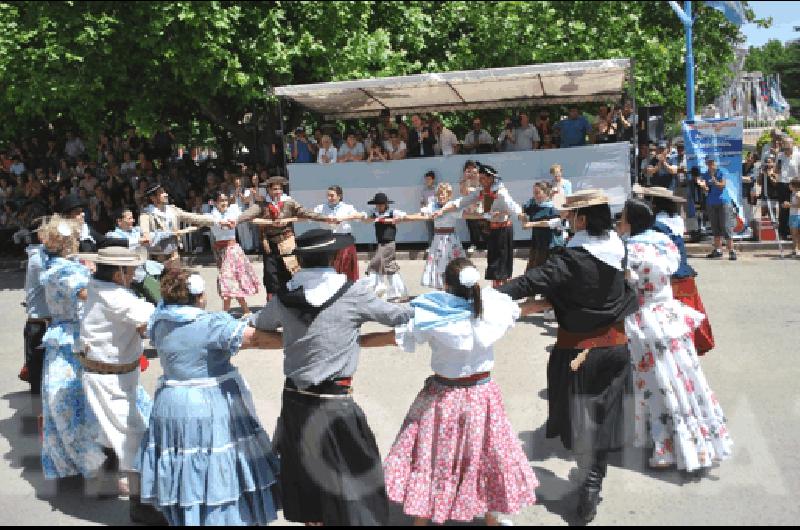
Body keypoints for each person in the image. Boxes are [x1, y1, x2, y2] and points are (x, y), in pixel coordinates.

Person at [253, 228, 415, 527]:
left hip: (295, 400)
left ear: (301, 260)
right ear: (335, 257)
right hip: (335, 400)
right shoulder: (352, 293)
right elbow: (399, 316)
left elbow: (261, 323)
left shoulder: (286, 296)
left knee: (306, 476)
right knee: (352, 479)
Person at [496, 190, 639, 523]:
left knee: (581, 422)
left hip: (579, 353)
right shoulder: (618, 249)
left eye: (571, 215)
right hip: (616, 348)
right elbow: (590, 293)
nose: (567, 220)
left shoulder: (571, 258)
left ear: (583, 219)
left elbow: (531, 281)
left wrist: (484, 296)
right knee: (601, 418)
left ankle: (589, 480)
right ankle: (592, 478)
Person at [385, 258, 539, 525]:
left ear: (446, 284)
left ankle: (422, 519)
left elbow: (397, 336)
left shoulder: (436, 315)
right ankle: (491, 517)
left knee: (433, 456)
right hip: (482, 394)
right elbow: (524, 309)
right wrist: (557, 302)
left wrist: (356, 340)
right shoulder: (492, 310)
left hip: (444, 395)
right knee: (487, 451)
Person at [136, 269, 282, 526]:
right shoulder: (209, 323)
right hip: (207, 401)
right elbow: (257, 339)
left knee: (186, 465)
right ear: (199, 295)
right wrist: (297, 338)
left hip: (170, 401)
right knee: (215, 463)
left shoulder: (159, 319)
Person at [619, 199, 733, 474]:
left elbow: (627, 284)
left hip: (646, 317)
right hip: (671, 314)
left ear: (631, 221)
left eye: (621, 217)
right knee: (687, 376)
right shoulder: (665, 240)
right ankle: (705, 436)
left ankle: (665, 447)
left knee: (657, 383)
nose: (619, 222)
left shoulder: (628, 248)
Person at [76, 247, 163, 523]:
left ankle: (104, 483)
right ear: (118, 273)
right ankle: (142, 507)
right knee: (133, 438)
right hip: (110, 378)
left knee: (107, 429)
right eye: (130, 270)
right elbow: (154, 319)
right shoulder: (117, 297)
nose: (134, 274)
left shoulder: (97, 284)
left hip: (108, 373)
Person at [38, 215, 107, 481]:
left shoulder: (60, 264)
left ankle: (96, 458)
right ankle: (90, 462)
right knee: (68, 399)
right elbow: (85, 294)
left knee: (81, 398)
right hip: (73, 336)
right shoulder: (62, 270)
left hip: (73, 334)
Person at [637, 186, 716, 355]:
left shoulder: (656, 225)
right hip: (685, 274)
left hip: (672, 277)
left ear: (654, 203)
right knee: (686, 319)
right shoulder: (676, 220)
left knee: (672, 321)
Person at [237, 175, 331, 299]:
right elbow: (247, 214)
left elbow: (305, 213)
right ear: (269, 190)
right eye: (274, 189)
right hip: (270, 245)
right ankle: (275, 306)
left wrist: (326, 218)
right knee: (271, 276)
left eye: (279, 189)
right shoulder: (262, 205)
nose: (277, 192)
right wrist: (234, 220)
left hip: (287, 242)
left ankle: (295, 302)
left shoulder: (289, 202)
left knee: (292, 272)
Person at [441, 164, 522, 287]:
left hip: (504, 229)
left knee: (502, 261)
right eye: (480, 178)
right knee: (493, 260)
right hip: (493, 228)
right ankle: (497, 288)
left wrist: (520, 215)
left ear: (491, 178)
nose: (480, 180)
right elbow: (463, 201)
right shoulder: (482, 191)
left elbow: (512, 205)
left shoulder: (500, 191)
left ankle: (503, 289)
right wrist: (443, 210)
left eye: (483, 178)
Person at [209, 191, 260, 314]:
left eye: (225, 200)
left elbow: (240, 218)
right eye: (221, 201)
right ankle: (245, 311)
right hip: (220, 251)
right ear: (215, 203)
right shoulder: (212, 215)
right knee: (230, 282)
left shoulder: (233, 212)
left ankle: (226, 313)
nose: (224, 203)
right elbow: (217, 224)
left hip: (232, 250)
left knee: (228, 281)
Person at [19, 218, 51, 394]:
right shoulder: (40, 259)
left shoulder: (41, 255)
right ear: (41, 235)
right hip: (39, 327)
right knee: (39, 388)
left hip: (42, 325)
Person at [417, 183, 465, 289]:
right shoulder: (433, 206)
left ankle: (455, 288)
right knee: (438, 265)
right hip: (438, 238)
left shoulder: (452, 206)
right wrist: (403, 218)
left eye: (444, 194)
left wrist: (484, 215)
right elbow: (420, 215)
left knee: (453, 265)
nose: (441, 196)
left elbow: (467, 214)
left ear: (449, 195)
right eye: (439, 194)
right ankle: (441, 288)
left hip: (451, 239)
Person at [313, 185, 365, 281]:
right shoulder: (321, 207)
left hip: (344, 240)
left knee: (345, 267)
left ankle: (347, 289)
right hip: (328, 241)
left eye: (332, 195)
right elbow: (310, 216)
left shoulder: (347, 207)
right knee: (329, 267)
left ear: (339, 196)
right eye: (328, 195)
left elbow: (360, 216)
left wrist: (342, 218)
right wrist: (325, 219)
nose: (329, 198)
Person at [363, 192, 409, 300]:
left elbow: (403, 216)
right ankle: (397, 293)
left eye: (381, 204)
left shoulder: (393, 212)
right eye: (377, 204)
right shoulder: (374, 213)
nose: (379, 206)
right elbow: (365, 220)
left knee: (375, 264)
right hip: (380, 244)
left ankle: (380, 291)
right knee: (389, 267)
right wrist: (373, 218)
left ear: (386, 204)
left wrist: (394, 219)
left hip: (389, 244)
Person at [57, 194, 129, 252]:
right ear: (67, 216)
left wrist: (130, 242)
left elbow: (104, 241)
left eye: (82, 211)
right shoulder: (59, 234)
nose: (83, 214)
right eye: (77, 212)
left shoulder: (85, 229)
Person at [696, 158, 737, 260]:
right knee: (715, 227)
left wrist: (715, 182)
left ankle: (731, 251)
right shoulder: (705, 174)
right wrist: (702, 185)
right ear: (706, 163)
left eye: (712, 162)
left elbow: (722, 185)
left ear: (715, 163)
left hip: (723, 202)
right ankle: (718, 250)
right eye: (708, 163)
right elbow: (705, 186)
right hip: (711, 203)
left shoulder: (721, 171)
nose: (710, 165)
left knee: (726, 226)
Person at [520, 181, 564, 270]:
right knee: (532, 270)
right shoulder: (533, 204)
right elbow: (523, 211)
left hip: (550, 245)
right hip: (537, 243)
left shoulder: (553, 207)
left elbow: (551, 223)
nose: (535, 195)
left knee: (544, 271)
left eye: (537, 193)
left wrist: (531, 224)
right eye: (534, 192)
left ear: (546, 193)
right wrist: (523, 218)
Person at [776, 138, 800, 240]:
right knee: (783, 208)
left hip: (795, 184)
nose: (785, 146)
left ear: (792, 144)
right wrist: (777, 168)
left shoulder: (798, 155)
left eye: (787, 144)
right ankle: (783, 232)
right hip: (783, 184)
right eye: (784, 144)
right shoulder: (780, 155)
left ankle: (795, 232)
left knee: (796, 207)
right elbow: (777, 170)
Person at [459, 160, 484, 253]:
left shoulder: (480, 179)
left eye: (472, 168)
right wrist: (466, 179)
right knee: (471, 226)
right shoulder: (464, 181)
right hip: (469, 207)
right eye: (468, 169)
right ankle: (474, 244)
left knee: (482, 226)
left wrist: (477, 176)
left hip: (480, 206)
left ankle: (485, 244)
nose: (470, 171)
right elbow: (463, 192)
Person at [420, 170, 437, 244]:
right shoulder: (424, 190)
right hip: (428, 213)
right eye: (426, 179)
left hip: (436, 213)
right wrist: (423, 210)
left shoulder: (437, 189)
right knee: (430, 231)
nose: (427, 181)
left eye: (429, 179)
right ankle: (430, 247)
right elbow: (422, 202)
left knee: (437, 231)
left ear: (433, 180)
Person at [785, 177, 800, 257]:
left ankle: (796, 250)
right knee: (795, 235)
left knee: (795, 235)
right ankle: (796, 250)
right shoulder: (794, 194)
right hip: (794, 215)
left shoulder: (797, 194)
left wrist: (789, 205)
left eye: (790, 184)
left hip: (796, 216)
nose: (789, 186)